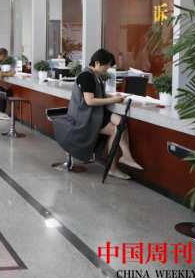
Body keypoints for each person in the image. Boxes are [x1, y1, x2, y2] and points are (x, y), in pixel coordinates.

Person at [53, 49, 144, 180]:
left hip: (95, 112)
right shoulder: (87, 76)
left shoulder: (94, 75)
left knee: (120, 121)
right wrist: (113, 100)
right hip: (85, 116)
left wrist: (113, 96)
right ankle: (112, 168)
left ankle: (126, 155)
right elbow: (90, 101)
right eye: (106, 65)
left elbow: (98, 92)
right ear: (97, 63)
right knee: (115, 131)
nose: (107, 68)